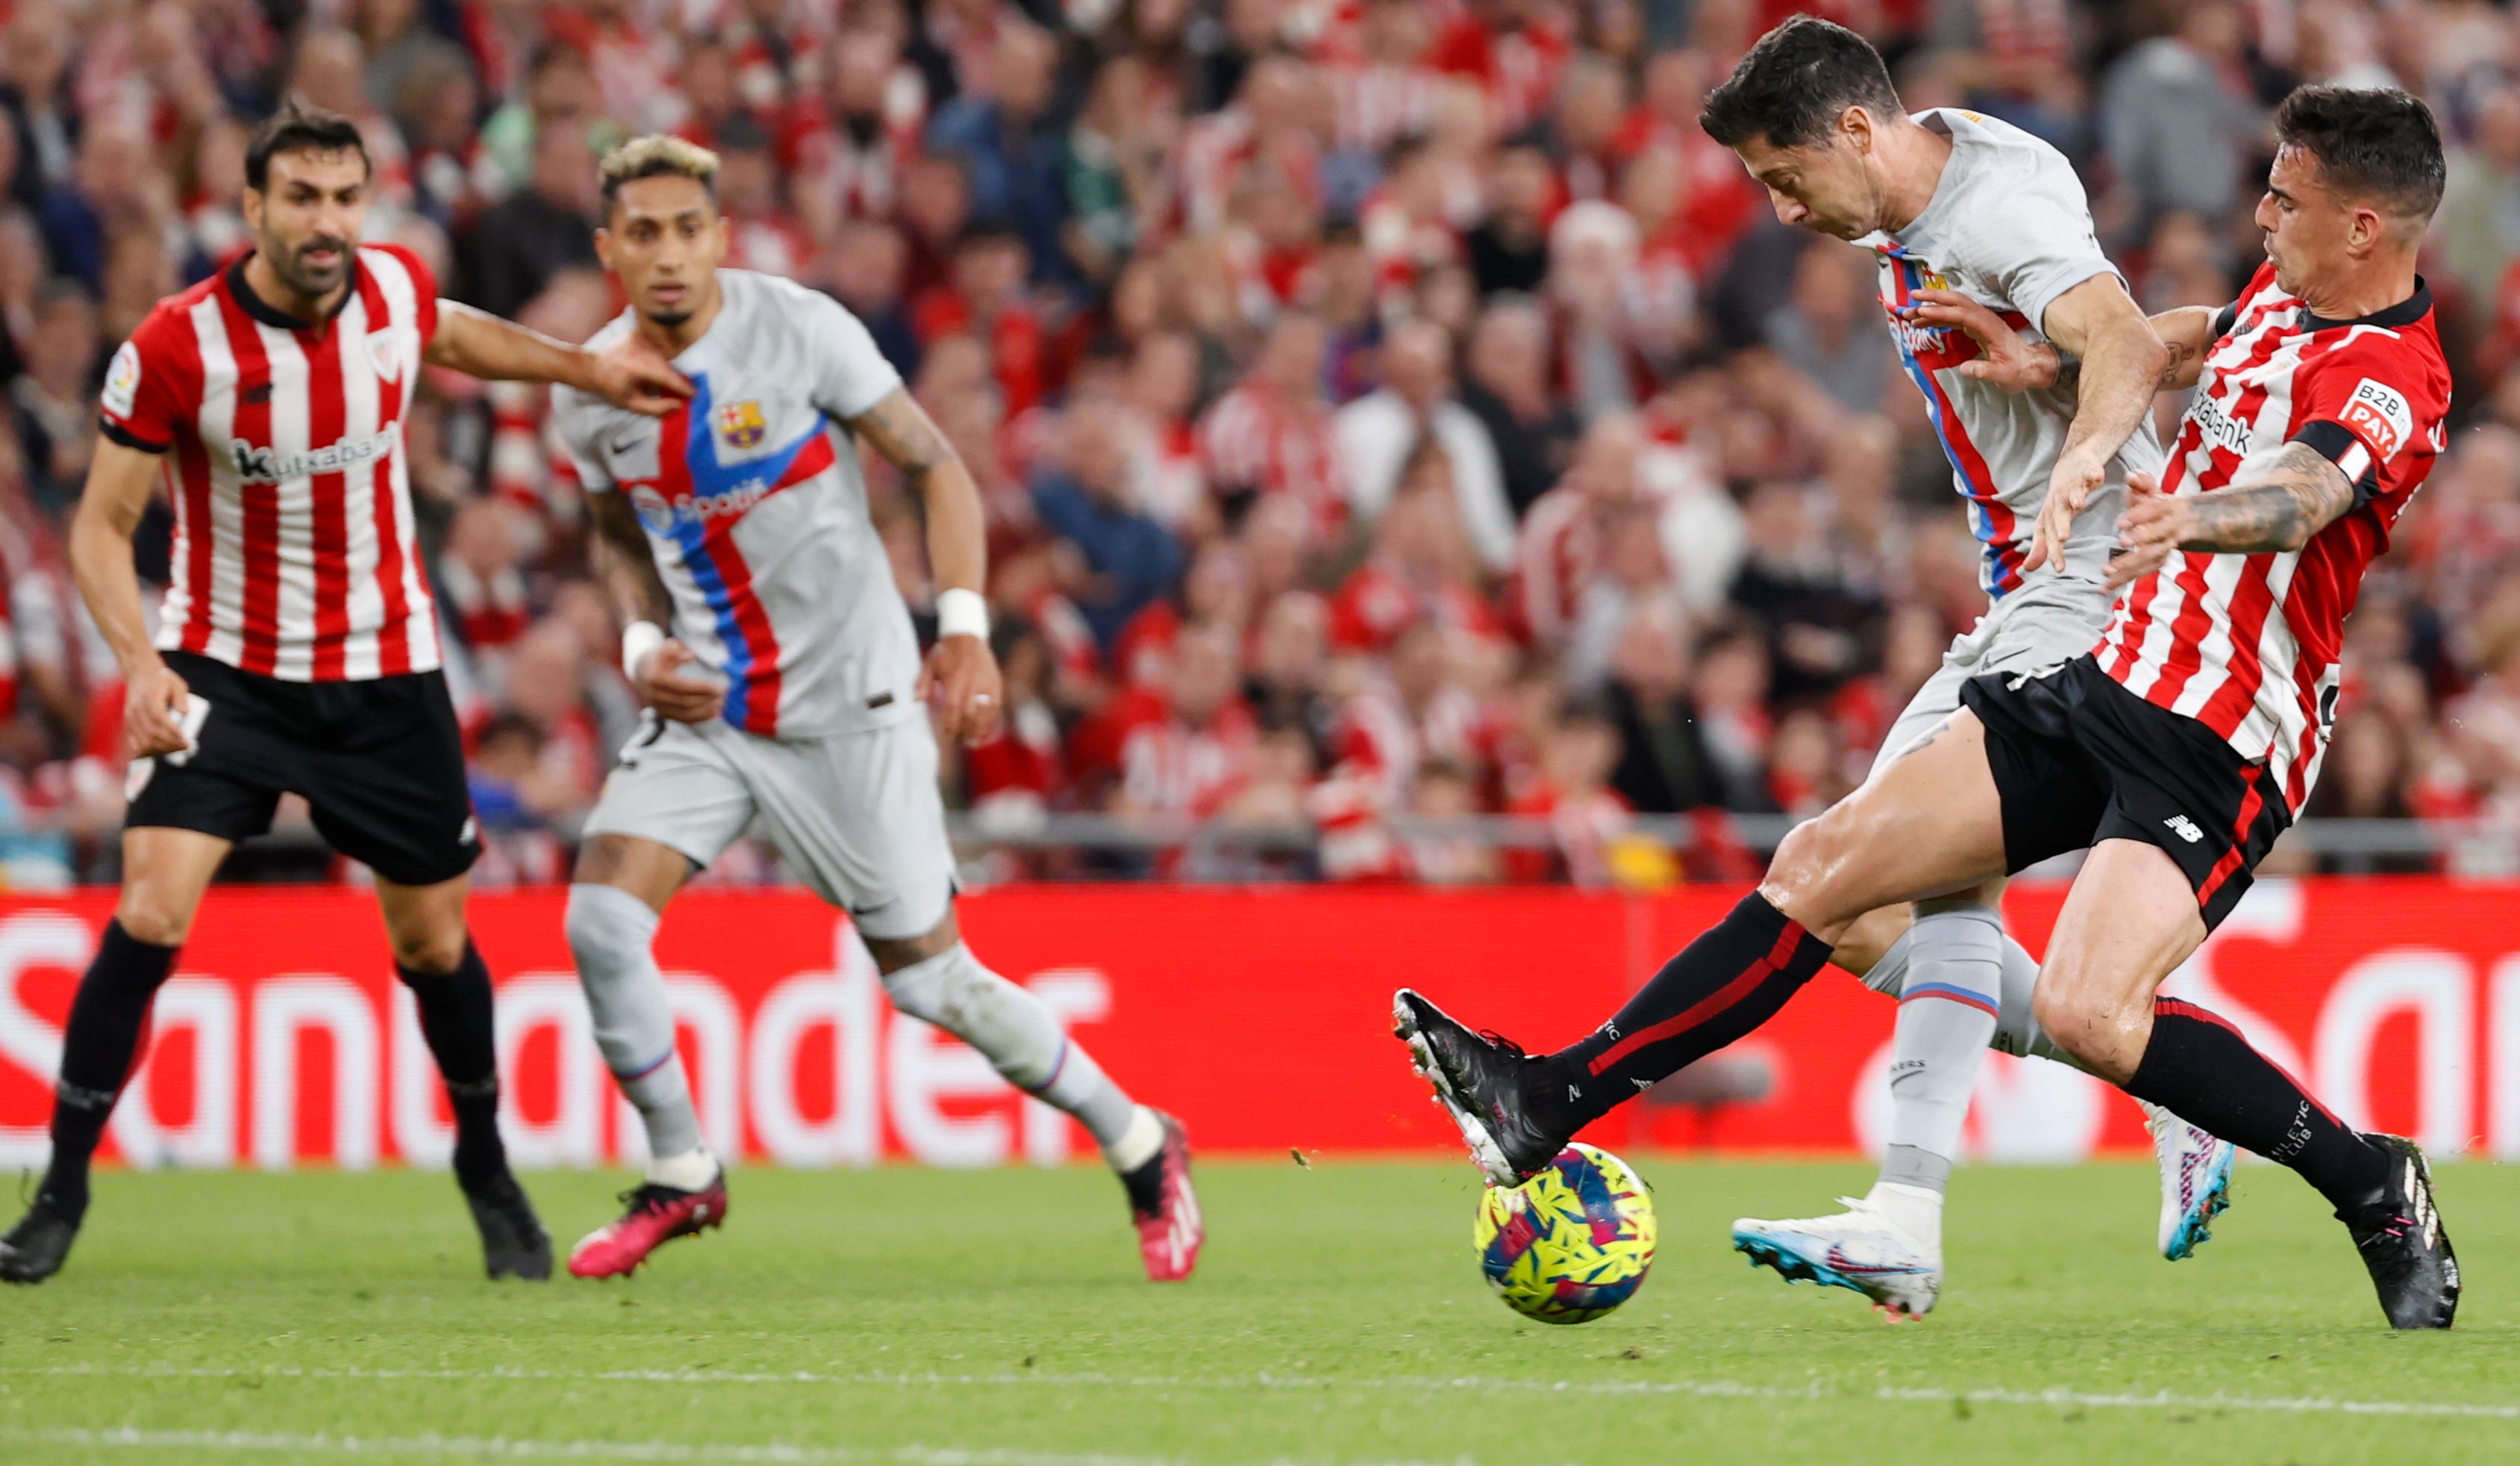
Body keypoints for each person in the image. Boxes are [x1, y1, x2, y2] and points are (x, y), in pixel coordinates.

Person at [1397, 83, 2463, 1333]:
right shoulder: (2289, 289)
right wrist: (2047, 361)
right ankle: (1550, 1097)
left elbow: (2305, 491)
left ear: (2364, 229)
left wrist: (2193, 516)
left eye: (2286, 198)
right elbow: (2199, 336)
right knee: (1825, 866)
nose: (2260, 210)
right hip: (2102, 675)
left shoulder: (2396, 375)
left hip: (2222, 738)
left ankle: (2367, 1182)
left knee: (2085, 1011)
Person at [0, 104, 692, 1285]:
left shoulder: (389, 292)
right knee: (152, 911)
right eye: (304, 200)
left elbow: (456, 334)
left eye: (345, 199)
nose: (328, 225)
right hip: (222, 667)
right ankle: (59, 1187)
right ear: (254, 210)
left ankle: (485, 1165)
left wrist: (584, 365)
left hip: (383, 672)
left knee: (431, 944)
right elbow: (101, 532)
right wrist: (140, 665)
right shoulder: (177, 346)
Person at [550, 136, 1202, 1282]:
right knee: (601, 920)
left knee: (929, 983)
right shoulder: (592, 390)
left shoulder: (800, 331)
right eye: (640, 233)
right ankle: (684, 1172)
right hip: (713, 703)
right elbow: (616, 532)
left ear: (720, 238)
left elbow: (935, 464)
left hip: (851, 708)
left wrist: (962, 626)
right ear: (610, 250)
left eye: (685, 229)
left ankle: (1141, 1143)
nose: (665, 254)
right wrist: (644, 640)